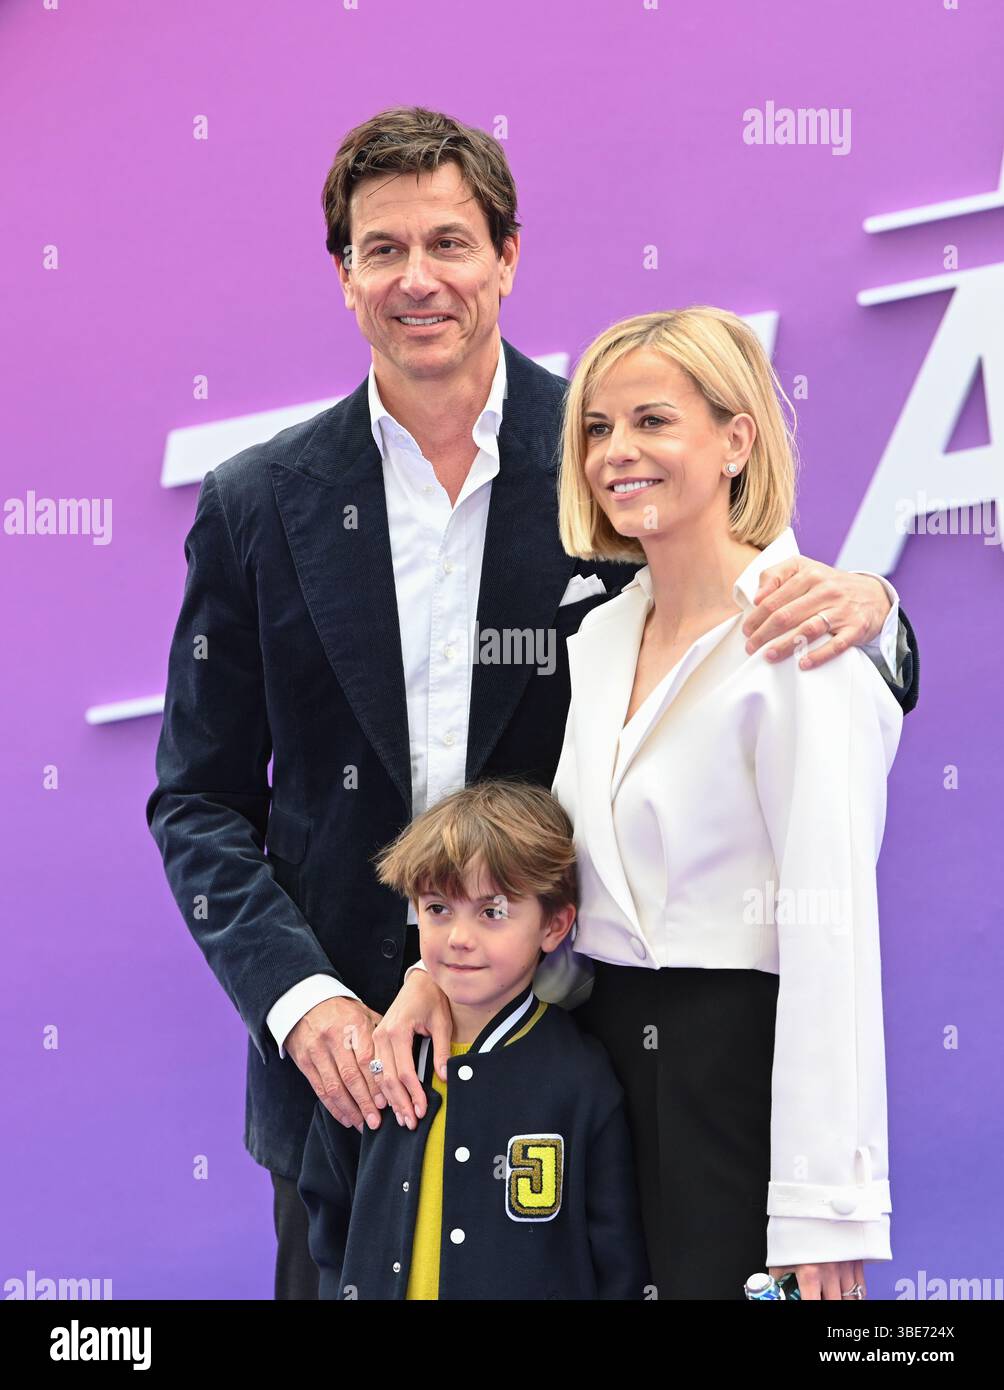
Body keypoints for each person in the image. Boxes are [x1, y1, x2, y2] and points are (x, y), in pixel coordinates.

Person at [145, 105, 919, 1299]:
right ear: (342, 274)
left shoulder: (610, 456)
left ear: (507, 257)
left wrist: (876, 602)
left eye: (450, 243)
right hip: (345, 1099)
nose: (418, 279)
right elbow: (196, 800)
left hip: (585, 1080)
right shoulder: (257, 503)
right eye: (383, 248)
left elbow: (770, 613)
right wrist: (306, 1010)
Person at [549, 305, 902, 1299]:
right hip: (598, 1072)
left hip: (736, 1080)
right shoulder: (596, 639)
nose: (617, 451)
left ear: (734, 438)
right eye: (596, 427)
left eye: (652, 420)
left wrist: (821, 1207)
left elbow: (831, 934)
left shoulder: (803, 640)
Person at [296, 780, 651, 1299]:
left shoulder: (580, 1076)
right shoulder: (376, 1061)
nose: (460, 937)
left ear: (555, 925)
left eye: (493, 912)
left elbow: (616, 1256)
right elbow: (330, 1220)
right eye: (439, 909)